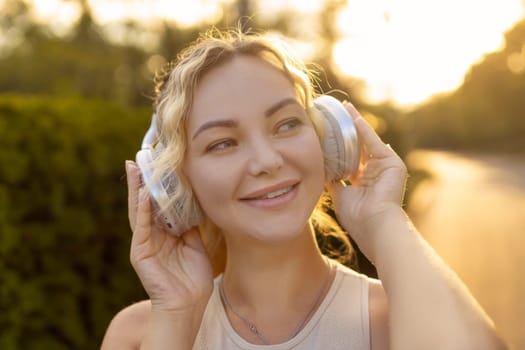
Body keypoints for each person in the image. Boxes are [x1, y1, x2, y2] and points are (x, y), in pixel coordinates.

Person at [101, 29, 506, 350]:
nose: (267, 161)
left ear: (329, 141)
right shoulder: (139, 335)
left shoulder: (396, 318)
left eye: (286, 124)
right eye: (222, 143)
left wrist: (383, 221)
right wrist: (175, 316)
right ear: (174, 183)